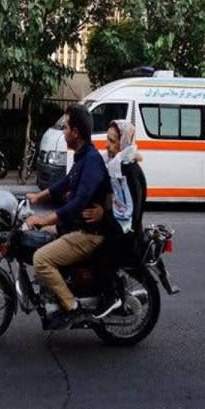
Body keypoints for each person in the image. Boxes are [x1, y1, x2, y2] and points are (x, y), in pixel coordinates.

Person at [26, 104, 108, 329]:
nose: (63, 132)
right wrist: (37, 197)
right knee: (34, 234)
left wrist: (44, 219)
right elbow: (64, 184)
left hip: (87, 234)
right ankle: (56, 290)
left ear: (76, 133)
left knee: (41, 259)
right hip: (76, 227)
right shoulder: (82, 156)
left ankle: (72, 307)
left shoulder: (91, 160)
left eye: (66, 128)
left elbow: (79, 202)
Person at [82, 119, 147, 318]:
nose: (107, 145)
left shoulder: (127, 170)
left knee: (94, 251)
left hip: (126, 233)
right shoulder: (117, 164)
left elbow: (127, 213)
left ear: (123, 143)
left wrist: (103, 215)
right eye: (107, 140)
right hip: (118, 225)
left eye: (112, 141)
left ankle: (111, 295)